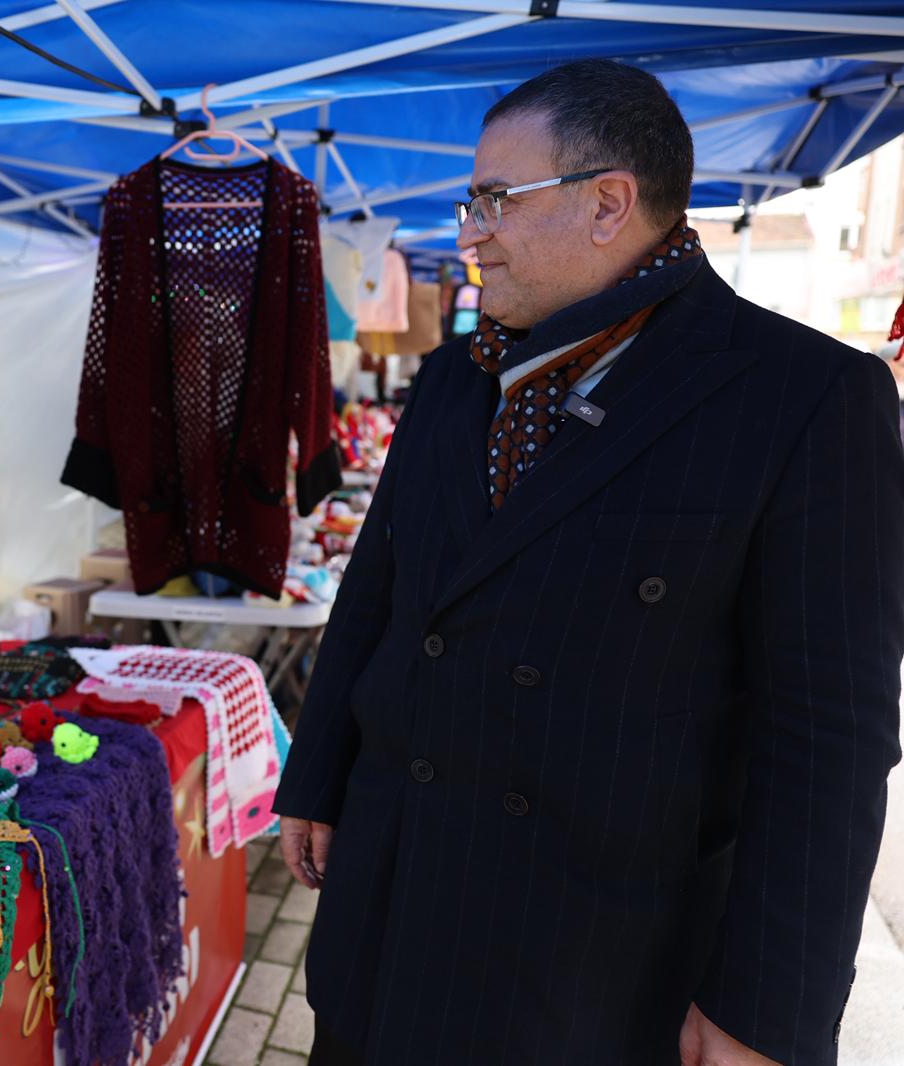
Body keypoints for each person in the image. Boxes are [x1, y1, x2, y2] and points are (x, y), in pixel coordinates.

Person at [275, 59, 904, 1066]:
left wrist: (765, 1009)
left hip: (587, 964)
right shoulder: (455, 375)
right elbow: (379, 593)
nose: (468, 230)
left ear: (609, 203)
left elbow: (827, 738)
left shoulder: (804, 399)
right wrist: (315, 775)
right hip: (390, 908)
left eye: (491, 200)